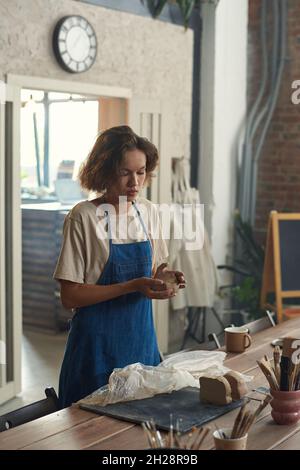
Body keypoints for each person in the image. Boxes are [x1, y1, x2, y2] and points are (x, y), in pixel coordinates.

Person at [53, 125, 185, 408]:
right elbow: (70, 296)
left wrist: (165, 277)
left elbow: (153, 271)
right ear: (104, 170)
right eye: (125, 172)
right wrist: (132, 286)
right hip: (96, 353)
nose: (134, 182)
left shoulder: (148, 211)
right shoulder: (83, 217)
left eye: (140, 172)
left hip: (141, 345)